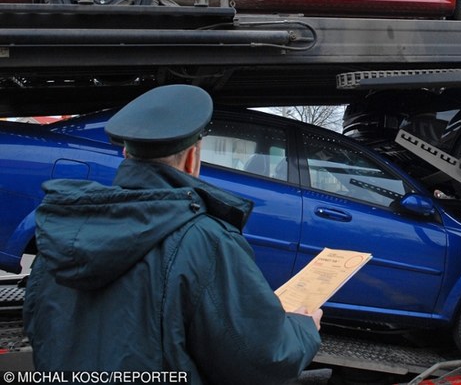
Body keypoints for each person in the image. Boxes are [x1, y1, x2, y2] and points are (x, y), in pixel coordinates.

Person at [23, 84, 322, 384]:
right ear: (192, 159)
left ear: (126, 153)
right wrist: (304, 327)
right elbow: (263, 359)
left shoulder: (60, 229)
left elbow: (40, 330)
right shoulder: (206, 240)